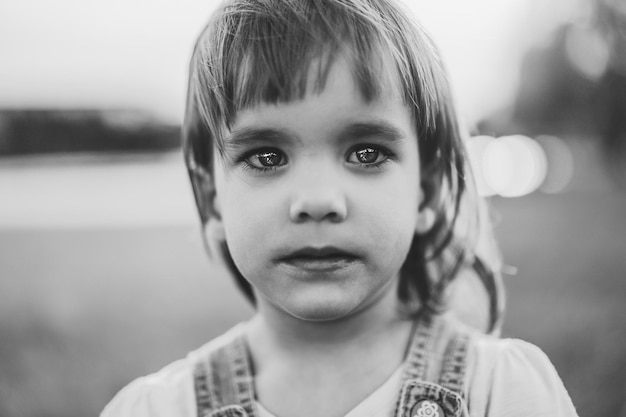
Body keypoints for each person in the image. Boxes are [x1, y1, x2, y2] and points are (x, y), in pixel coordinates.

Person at [101, 0, 579, 416]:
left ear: (427, 192)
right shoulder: (160, 408)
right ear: (212, 202)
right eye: (267, 157)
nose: (317, 202)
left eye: (365, 153)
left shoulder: (501, 391)